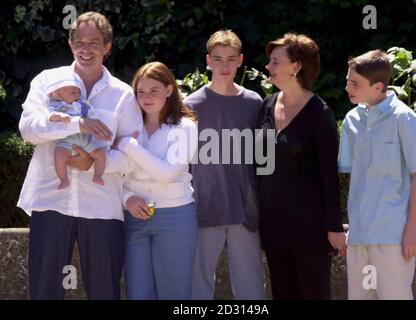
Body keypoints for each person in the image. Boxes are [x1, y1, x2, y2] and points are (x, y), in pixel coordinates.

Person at [17, 11, 143, 299]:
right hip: (50, 200)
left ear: (107, 47)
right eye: (80, 42)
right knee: (44, 292)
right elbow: (28, 129)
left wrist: (94, 164)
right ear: (71, 43)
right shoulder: (47, 81)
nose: (86, 50)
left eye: (94, 43)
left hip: (102, 205)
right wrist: (77, 124)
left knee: (104, 292)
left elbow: (130, 153)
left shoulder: (123, 95)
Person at [257, 33, 346, 300]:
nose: (268, 67)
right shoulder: (266, 106)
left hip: (311, 231)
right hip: (274, 227)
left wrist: (334, 226)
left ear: (295, 67)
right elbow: (258, 165)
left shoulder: (320, 113)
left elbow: (330, 175)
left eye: (275, 62)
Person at [339, 50, 416, 300]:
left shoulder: (405, 119)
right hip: (359, 236)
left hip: (394, 235)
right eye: (348, 80)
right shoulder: (351, 120)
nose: (348, 87)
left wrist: (413, 229)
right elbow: (356, 178)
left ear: (378, 86)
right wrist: (352, 229)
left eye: (355, 83)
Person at [184, 30, 266, 300]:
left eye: (231, 59)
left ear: (241, 60)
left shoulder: (254, 102)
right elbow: (182, 163)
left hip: (244, 209)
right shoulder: (190, 104)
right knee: (197, 285)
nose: (224, 66)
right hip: (203, 208)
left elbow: (263, 160)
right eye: (218, 59)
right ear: (208, 61)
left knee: (251, 287)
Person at [113, 61, 198, 300]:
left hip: (176, 218)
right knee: (137, 294)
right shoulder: (128, 126)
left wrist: (129, 146)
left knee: (175, 293)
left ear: (169, 90)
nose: (146, 98)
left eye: (154, 91)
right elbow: (111, 173)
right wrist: (127, 198)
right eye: (140, 92)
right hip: (133, 219)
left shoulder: (185, 126)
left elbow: (167, 174)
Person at [46, 74, 107, 189]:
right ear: (58, 94)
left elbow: (93, 116)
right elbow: (50, 116)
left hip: (85, 138)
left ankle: (98, 175)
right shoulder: (56, 106)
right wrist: (59, 116)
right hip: (67, 140)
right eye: (72, 92)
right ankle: (63, 179)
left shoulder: (82, 105)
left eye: (78, 92)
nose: (77, 95)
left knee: (101, 153)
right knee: (58, 154)